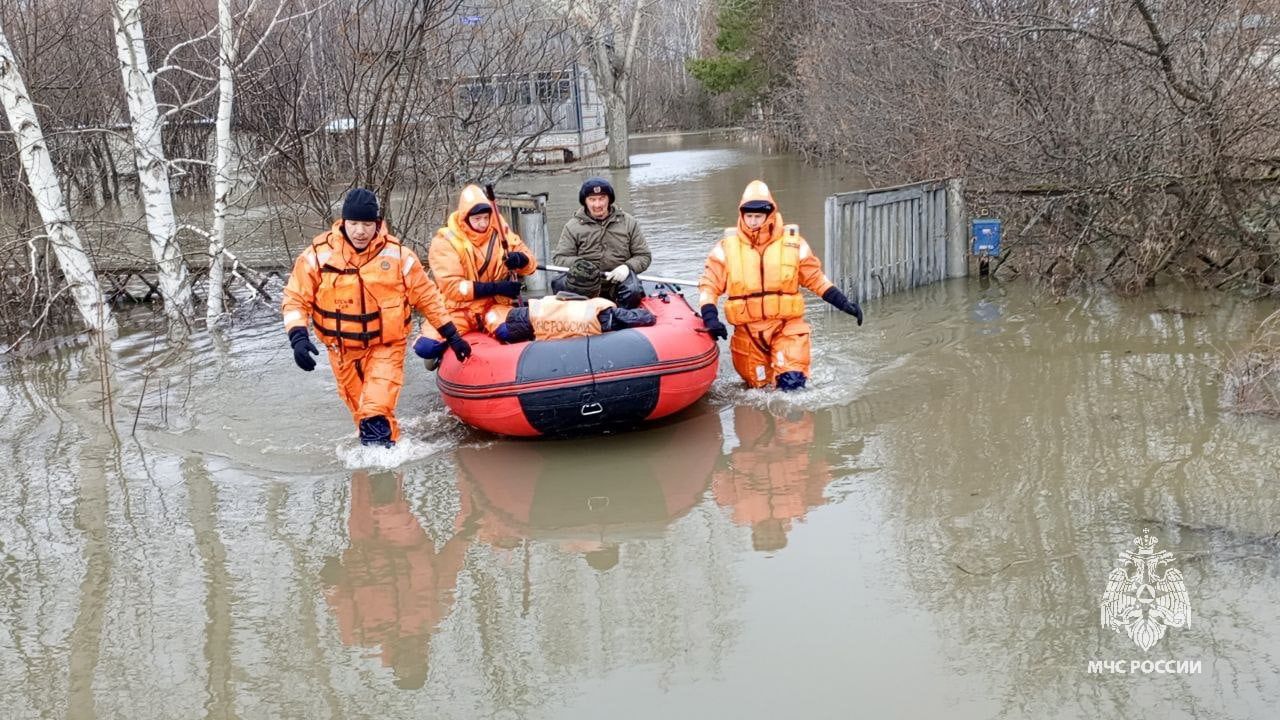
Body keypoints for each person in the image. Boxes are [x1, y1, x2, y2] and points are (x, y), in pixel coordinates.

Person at [282, 187, 471, 447]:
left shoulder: (398, 257)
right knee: (364, 420)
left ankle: (382, 474)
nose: (360, 231)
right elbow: (295, 298)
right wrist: (298, 337)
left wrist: (452, 335)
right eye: (354, 223)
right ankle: (385, 469)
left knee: (375, 413)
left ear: (378, 224)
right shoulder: (317, 256)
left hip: (386, 348)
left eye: (367, 224)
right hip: (342, 353)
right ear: (343, 223)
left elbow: (428, 298)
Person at [697, 180, 864, 391]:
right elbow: (709, 285)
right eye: (749, 216)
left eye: (758, 216)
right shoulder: (725, 249)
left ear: (770, 214)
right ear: (741, 215)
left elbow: (815, 278)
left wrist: (844, 303)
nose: (753, 221)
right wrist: (710, 317)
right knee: (758, 392)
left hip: (787, 327)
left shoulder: (793, 244)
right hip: (749, 333)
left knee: (792, 387)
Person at [413, 185, 538, 366]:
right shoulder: (445, 242)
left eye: (486, 218)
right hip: (458, 309)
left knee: (514, 329)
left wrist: (520, 260)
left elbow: (530, 264)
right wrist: (498, 287)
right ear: (466, 218)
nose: (482, 223)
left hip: (492, 307)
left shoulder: (500, 233)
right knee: (426, 347)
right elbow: (453, 288)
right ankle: (441, 358)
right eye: (477, 219)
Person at [492, 258, 655, 343]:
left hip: (546, 365)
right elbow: (644, 318)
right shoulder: (602, 313)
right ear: (596, 290)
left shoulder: (539, 308)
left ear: (566, 285)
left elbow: (505, 331)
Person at [552, 177, 650, 307]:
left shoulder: (629, 222)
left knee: (633, 290)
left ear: (609, 200)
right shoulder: (572, 227)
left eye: (602, 198)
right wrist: (580, 265)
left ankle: (622, 318)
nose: (597, 205)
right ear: (585, 202)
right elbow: (559, 258)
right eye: (592, 199)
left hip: (617, 282)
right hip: (584, 284)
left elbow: (644, 256)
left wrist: (627, 267)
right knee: (558, 283)